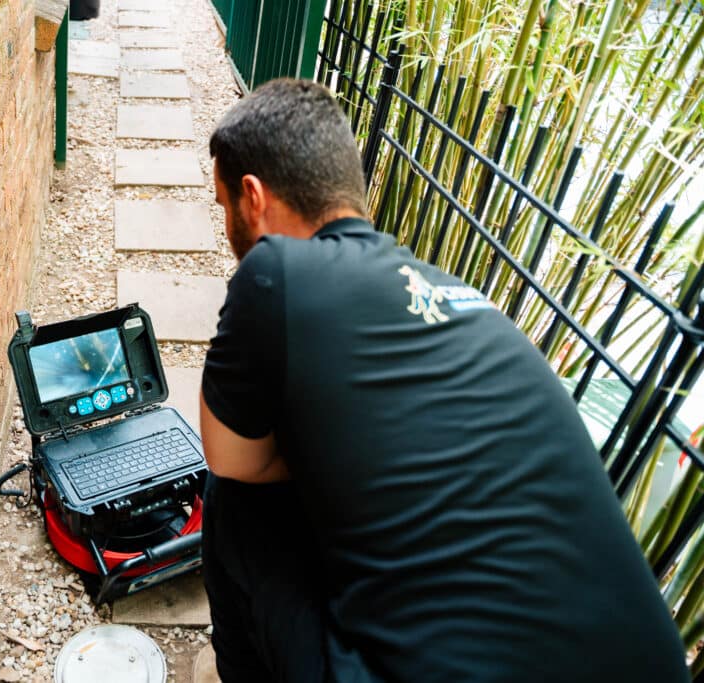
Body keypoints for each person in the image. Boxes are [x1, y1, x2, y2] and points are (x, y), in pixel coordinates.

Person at [198, 78, 689, 682]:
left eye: (222, 207)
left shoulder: (276, 270)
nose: (226, 228)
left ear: (253, 198)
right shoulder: (472, 303)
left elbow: (231, 459)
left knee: (233, 502)